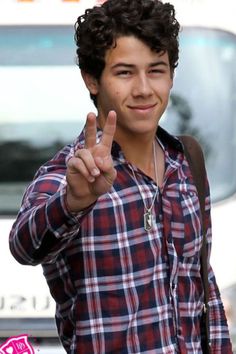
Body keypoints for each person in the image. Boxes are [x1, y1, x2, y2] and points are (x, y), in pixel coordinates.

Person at [9, 0, 232, 353]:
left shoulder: (187, 161)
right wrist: (73, 202)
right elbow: (24, 245)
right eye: (125, 72)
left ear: (172, 75)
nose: (144, 89)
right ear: (92, 80)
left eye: (156, 70)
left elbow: (203, 289)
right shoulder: (73, 173)